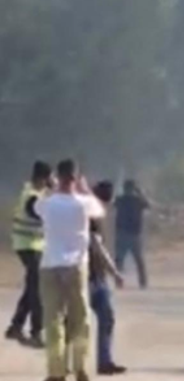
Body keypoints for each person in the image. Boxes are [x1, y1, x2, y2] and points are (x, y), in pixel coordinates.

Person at [36, 158, 105, 381]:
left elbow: (38, 207)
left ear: (59, 176)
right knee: (80, 319)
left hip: (50, 265)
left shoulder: (47, 203)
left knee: (53, 321)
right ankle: (79, 366)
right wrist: (85, 189)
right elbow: (100, 211)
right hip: (75, 266)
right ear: (76, 178)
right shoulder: (84, 203)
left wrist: (54, 188)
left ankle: (56, 370)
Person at [5, 160, 53, 348]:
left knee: (32, 285)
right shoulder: (33, 197)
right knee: (37, 289)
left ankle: (16, 326)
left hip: (32, 245)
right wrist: (56, 192)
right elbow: (42, 213)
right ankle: (36, 331)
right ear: (43, 178)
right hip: (27, 245)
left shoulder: (35, 194)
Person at [89, 181, 126, 376]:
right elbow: (97, 247)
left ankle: (104, 361)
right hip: (92, 277)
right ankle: (102, 361)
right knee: (104, 318)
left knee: (104, 318)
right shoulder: (92, 216)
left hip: (92, 276)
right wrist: (115, 272)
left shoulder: (87, 213)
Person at [114, 179, 149, 289]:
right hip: (134, 234)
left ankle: (118, 281)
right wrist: (140, 193)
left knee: (119, 260)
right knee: (139, 260)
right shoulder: (138, 200)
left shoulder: (120, 200)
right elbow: (147, 204)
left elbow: (113, 205)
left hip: (122, 234)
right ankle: (143, 282)